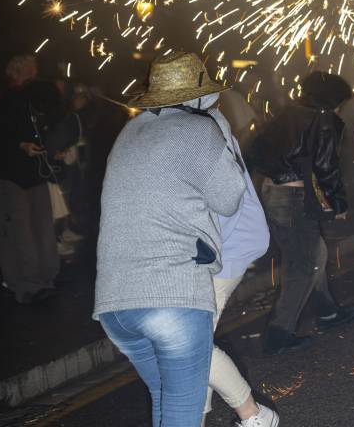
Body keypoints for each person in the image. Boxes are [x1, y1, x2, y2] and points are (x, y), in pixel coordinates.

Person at [93, 52, 246, 427]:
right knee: (182, 416)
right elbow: (230, 199)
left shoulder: (130, 132)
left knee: (166, 401)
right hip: (171, 296)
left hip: (116, 304)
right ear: (200, 97)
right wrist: (219, 123)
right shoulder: (199, 131)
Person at [248, 71, 354, 355]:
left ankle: (327, 311)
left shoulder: (289, 114)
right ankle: (279, 332)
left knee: (314, 252)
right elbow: (326, 167)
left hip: (272, 191)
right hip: (294, 196)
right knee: (302, 264)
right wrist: (339, 204)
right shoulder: (323, 120)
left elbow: (254, 151)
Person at [204, 107, 277, 427]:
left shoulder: (201, 130)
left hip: (223, 247)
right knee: (194, 341)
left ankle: (255, 416)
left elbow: (226, 197)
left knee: (189, 345)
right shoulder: (207, 123)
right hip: (219, 246)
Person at [0, 54, 63, 303]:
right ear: (19, 70)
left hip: (32, 172)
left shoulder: (34, 94)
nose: (35, 70)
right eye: (30, 67)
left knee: (39, 228)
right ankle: (27, 283)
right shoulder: (1, 99)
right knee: (19, 231)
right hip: (10, 175)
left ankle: (42, 278)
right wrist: (20, 144)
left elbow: (53, 120)